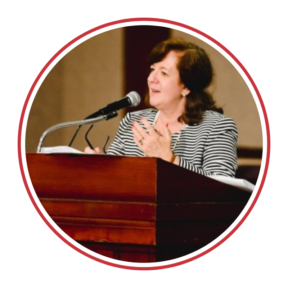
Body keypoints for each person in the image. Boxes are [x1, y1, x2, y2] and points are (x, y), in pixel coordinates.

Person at [85, 38, 238, 177]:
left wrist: (170, 159)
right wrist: (99, 166)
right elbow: (112, 177)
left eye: (164, 73)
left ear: (186, 86)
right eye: (152, 70)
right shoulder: (134, 121)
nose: (151, 79)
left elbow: (222, 187)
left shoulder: (217, 127)